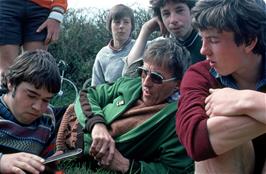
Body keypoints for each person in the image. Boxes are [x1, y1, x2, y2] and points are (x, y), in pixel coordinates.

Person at [56, 38, 193, 174]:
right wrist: (97, 125)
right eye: (143, 72)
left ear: (178, 84)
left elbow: (173, 170)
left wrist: (126, 165)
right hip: (67, 118)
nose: (146, 82)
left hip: (69, 150)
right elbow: (87, 94)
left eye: (156, 77)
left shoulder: (178, 121)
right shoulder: (130, 84)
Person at [175, 0, 266, 173]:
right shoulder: (199, 75)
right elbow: (195, 141)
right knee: (214, 136)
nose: (203, 50)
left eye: (213, 40)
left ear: (249, 41)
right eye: (202, 38)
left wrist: (245, 101)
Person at [0, 49, 61, 173]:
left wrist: (49, 163)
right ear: (11, 83)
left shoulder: (47, 119)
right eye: (31, 95)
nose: (38, 107)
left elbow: (44, 162)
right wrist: (2, 161)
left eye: (46, 100)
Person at [123, 0, 205, 76]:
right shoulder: (164, 45)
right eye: (166, 14)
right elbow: (129, 74)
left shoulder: (208, 41)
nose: (173, 20)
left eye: (179, 10)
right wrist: (146, 29)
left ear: (192, 11)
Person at [0, 0, 67, 80]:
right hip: (5, 5)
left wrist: (57, 14)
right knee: (6, 72)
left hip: (41, 8)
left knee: (35, 71)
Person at [91, 4, 135, 86]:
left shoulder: (141, 46)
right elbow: (96, 89)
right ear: (110, 25)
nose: (121, 26)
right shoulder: (102, 55)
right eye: (117, 22)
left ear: (131, 26)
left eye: (126, 22)